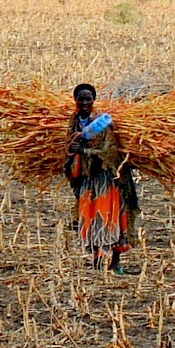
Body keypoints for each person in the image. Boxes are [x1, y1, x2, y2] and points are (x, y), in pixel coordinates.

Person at [64, 83, 139, 272]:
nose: (84, 103)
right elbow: (68, 145)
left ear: (93, 100)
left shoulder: (101, 123)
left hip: (105, 179)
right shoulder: (74, 120)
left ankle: (114, 262)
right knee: (90, 219)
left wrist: (83, 150)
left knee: (110, 218)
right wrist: (72, 152)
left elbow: (109, 151)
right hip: (87, 178)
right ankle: (97, 260)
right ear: (75, 100)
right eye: (81, 99)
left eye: (88, 99)